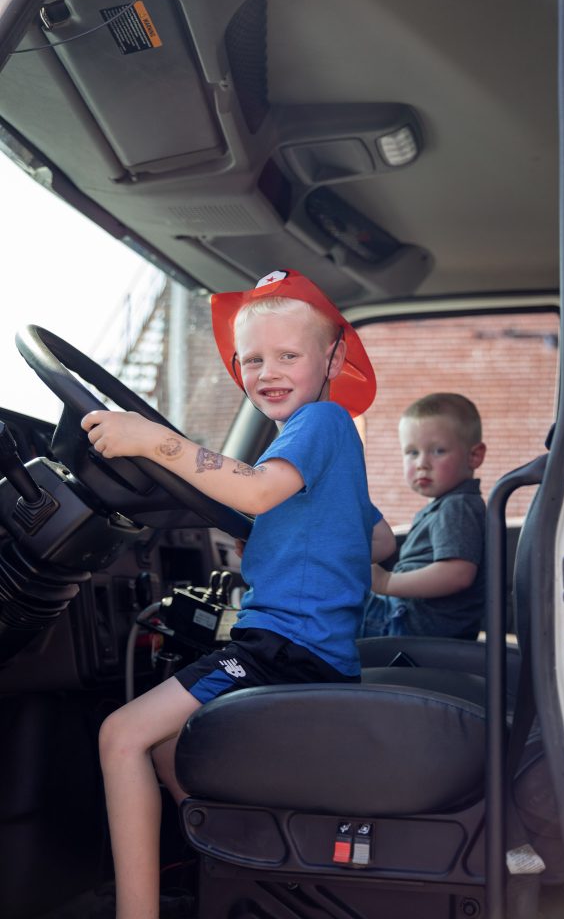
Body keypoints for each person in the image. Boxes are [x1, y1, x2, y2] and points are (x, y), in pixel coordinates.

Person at [81, 269, 395, 919]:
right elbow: (381, 542)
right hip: (308, 649)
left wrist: (152, 441)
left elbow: (253, 492)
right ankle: (231, 874)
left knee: (120, 735)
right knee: (170, 746)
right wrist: (281, 541)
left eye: (288, 355)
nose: (267, 370)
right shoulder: (324, 442)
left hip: (281, 649)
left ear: (332, 357)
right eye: (252, 358)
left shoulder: (321, 420)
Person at [360, 392, 486, 640]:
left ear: (474, 456)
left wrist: (387, 583)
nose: (422, 464)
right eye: (412, 452)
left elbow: (457, 574)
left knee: (326, 608)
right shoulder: (446, 506)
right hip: (406, 618)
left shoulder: (457, 507)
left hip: (410, 625)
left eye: (438, 451)